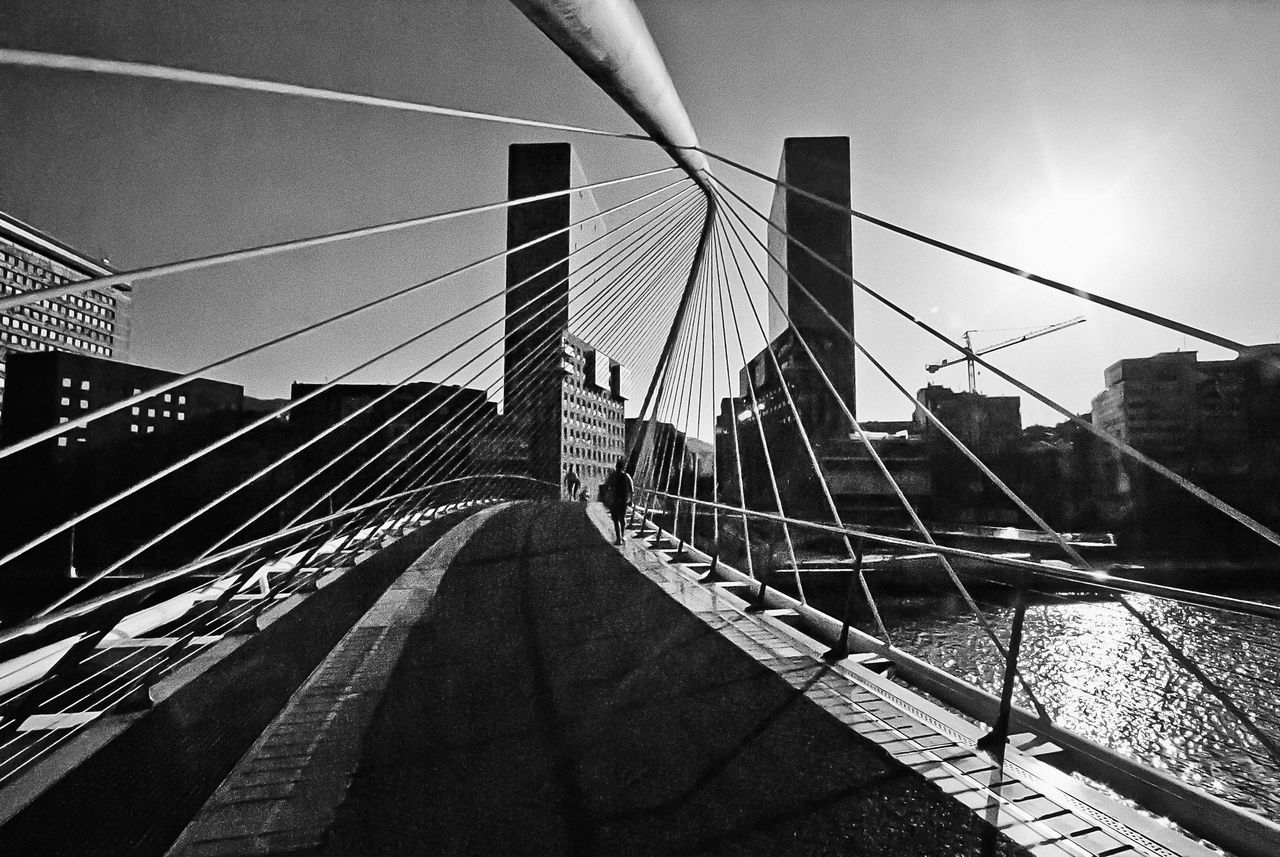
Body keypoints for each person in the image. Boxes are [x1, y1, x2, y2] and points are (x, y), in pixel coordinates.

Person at [603, 458, 633, 545]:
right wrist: (631, 500)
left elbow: (606, 485)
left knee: (616, 519)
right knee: (622, 518)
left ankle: (618, 538)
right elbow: (631, 489)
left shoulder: (612, 476)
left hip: (614, 500)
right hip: (623, 500)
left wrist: (607, 497)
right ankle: (622, 536)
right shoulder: (626, 476)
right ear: (623, 467)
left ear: (616, 466)